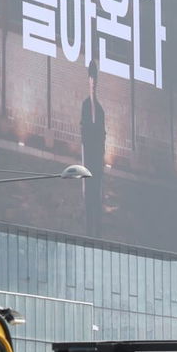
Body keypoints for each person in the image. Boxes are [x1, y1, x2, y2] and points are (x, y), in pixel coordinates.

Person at [79, 59, 106, 235]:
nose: (93, 83)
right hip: (88, 154)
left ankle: (97, 225)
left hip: (97, 156)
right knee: (88, 189)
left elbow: (102, 133)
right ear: (88, 81)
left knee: (97, 189)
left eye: (95, 80)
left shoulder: (100, 109)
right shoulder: (85, 106)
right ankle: (89, 224)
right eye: (91, 79)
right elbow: (83, 128)